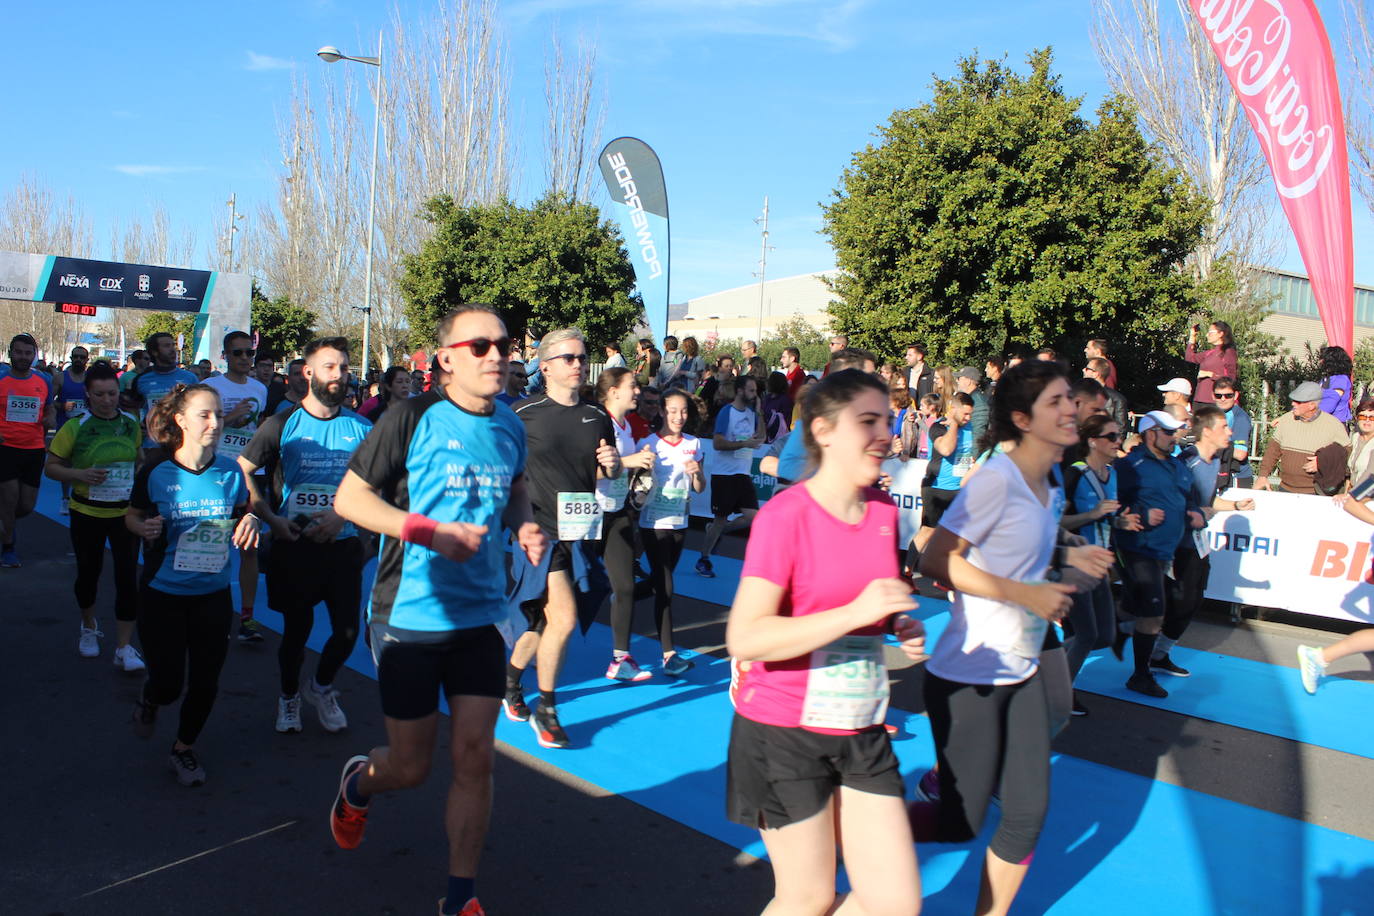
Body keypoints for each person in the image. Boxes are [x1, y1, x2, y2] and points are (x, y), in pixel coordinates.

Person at [330, 305, 545, 916]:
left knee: (477, 754)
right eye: (480, 346)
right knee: (410, 766)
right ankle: (358, 784)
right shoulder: (411, 416)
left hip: (480, 617)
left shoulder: (509, 423)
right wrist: (428, 533)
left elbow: (519, 485)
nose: (497, 355)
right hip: (408, 616)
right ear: (445, 359)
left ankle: (460, 896)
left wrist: (524, 524)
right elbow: (350, 499)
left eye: (504, 345)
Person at [725, 369, 927, 916]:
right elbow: (745, 635)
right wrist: (857, 612)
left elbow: (857, 611)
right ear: (824, 430)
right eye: (868, 421)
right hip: (782, 730)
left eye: (888, 419)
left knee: (894, 904)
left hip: (860, 724)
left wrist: (893, 627)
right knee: (808, 898)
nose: (886, 433)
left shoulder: (884, 512)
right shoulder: (785, 516)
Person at [912, 360, 1110, 916]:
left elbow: (1023, 546)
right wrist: (1024, 596)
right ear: (1022, 419)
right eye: (1056, 402)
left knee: (1027, 814)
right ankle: (854, 830)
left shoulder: (1046, 481)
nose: (1071, 409)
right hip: (968, 675)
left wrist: (1068, 556)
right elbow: (935, 558)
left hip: (1020, 667)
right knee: (960, 821)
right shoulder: (998, 477)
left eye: (1070, 399)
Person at [127, 383, 259, 786]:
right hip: (162, 595)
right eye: (205, 415)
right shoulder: (155, 470)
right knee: (168, 685)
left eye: (218, 414)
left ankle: (183, 748)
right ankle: (152, 699)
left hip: (212, 596)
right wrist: (143, 526)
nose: (215, 423)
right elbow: (130, 516)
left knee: (205, 682)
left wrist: (250, 520)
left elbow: (243, 511)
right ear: (181, 420)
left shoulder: (230, 471)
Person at [239, 337, 372, 734]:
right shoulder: (282, 423)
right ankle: (289, 696)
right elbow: (243, 469)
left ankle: (322, 686)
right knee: (296, 633)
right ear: (309, 373)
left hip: (343, 542)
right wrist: (268, 517)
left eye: (345, 368)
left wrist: (343, 517)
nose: (340, 375)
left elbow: (377, 482)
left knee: (348, 631)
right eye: (330, 367)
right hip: (293, 543)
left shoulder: (363, 426)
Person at [508, 328, 619, 749]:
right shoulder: (523, 413)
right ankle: (547, 710)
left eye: (582, 357)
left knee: (541, 621)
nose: (577, 364)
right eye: (569, 357)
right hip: (538, 532)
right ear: (547, 365)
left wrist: (613, 465)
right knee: (565, 618)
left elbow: (608, 474)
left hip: (582, 533)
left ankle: (510, 682)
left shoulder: (596, 416)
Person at [45, 361, 144, 667]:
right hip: (87, 512)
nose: (106, 400)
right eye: (99, 394)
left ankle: (124, 647)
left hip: (124, 514)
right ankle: (89, 626)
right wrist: (80, 474)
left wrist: (137, 480)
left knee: (128, 577)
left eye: (111, 394)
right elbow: (51, 467)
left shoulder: (130, 424)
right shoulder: (76, 426)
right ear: (88, 394)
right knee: (89, 575)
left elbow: (139, 460)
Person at [1155, 407, 1256, 677]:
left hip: (1198, 544)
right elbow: (1171, 503)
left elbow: (1207, 502)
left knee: (1194, 600)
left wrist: (1235, 505)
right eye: (1224, 427)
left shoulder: (1213, 463)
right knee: (1174, 602)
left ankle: (1159, 653)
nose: (1231, 432)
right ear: (1208, 431)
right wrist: (1195, 515)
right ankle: (1143, 650)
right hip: (1176, 545)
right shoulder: (1187, 462)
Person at [1112, 410, 1205, 697]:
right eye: (1167, 431)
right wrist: (1141, 513)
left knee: (1133, 606)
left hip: (1167, 550)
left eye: (1175, 431)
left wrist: (1196, 513)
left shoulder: (1178, 466)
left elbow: (1188, 499)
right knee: (1154, 610)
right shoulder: (1130, 465)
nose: (1173, 436)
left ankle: (1111, 631)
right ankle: (1140, 675)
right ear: (1150, 433)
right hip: (1137, 547)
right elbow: (1111, 502)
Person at [1060, 415, 1141, 713]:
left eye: (1119, 436)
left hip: (1100, 562)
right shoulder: (1075, 474)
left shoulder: (1113, 473)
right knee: (1086, 634)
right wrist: (1091, 515)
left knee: (1105, 635)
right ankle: (1060, 694)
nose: (1118, 441)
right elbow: (1055, 522)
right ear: (1093, 441)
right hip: (1076, 561)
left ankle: (1048, 663)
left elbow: (1107, 517)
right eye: (1111, 437)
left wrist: (1121, 521)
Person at [205, 331, 272, 642]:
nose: (245, 359)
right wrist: (229, 418)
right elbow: (196, 430)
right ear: (225, 356)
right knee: (214, 545)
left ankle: (247, 617)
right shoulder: (210, 387)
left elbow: (259, 430)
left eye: (248, 353)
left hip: (249, 477)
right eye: (238, 353)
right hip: (214, 475)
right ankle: (208, 609)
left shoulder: (260, 388)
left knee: (249, 547)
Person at [593, 367, 659, 681]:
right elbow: (582, 471)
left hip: (616, 513)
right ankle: (531, 638)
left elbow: (623, 471)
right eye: (632, 386)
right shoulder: (596, 421)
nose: (638, 392)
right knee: (568, 589)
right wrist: (630, 462)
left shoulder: (626, 426)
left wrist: (641, 467)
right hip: (585, 513)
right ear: (614, 391)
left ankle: (621, 659)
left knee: (625, 586)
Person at [637, 389, 706, 678]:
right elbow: (637, 487)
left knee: (658, 583)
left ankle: (622, 596)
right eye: (673, 411)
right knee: (666, 587)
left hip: (679, 522)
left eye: (684, 411)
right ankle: (669, 654)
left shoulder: (694, 444)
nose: (679, 417)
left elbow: (701, 488)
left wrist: (696, 473)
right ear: (663, 412)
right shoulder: (648, 444)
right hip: (652, 522)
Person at [695, 374, 765, 578]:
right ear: (740, 391)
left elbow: (761, 438)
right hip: (724, 474)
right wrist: (743, 443)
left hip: (742, 473)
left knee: (753, 517)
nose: (754, 394)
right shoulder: (728, 412)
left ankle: (720, 530)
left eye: (755, 391)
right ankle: (704, 558)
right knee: (719, 519)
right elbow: (717, 444)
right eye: (751, 390)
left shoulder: (752, 413)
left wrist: (759, 413)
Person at [0, 333, 56, 567]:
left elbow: (50, 408)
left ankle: (6, 522)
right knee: (10, 498)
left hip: (34, 449)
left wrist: (50, 419)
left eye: (28, 353)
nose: (23, 357)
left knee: (26, 506)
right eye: (19, 352)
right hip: (5, 448)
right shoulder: (1, 379)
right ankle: (8, 548)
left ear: (34, 356)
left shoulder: (43, 380)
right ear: (11, 353)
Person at [1255, 381, 1350, 494]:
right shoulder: (1286, 420)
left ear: (1312, 405)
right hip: (1285, 489)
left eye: (1298, 402)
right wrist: (1262, 476)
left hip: (1316, 493)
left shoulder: (1333, 425)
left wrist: (1323, 462)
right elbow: (1272, 451)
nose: (1293, 404)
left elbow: (1347, 453)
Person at [912, 392, 976, 557]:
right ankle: (906, 573)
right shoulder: (939, 426)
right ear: (953, 409)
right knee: (928, 531)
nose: (968, 418)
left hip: (960, 489)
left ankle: (949, 577)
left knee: (959, 536)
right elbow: (946, 449)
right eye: (965, 414)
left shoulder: (970, 427)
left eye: (971, 414)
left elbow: (972, 453)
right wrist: (953, 425)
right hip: (937, 488)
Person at [131, 332, 198, 448]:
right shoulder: (142, 380)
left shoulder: (190, 378)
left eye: (173, 345)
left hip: (182, 446)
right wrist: (137, 427)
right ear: (154, 352)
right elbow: (132, 409)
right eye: (167, 346)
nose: (173, 350)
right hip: (151, 446)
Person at [54, 346, 92, 514]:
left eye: (81, 357)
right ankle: (65, 498)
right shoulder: (60, 378)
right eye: (75, 356)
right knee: (66, 464)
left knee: (88, 462)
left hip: (87, 428)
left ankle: (85, 496)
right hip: (66, 427)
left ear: (86, 360)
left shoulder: (91, 379)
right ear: (71, 357)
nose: (78, 360)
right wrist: (62, 405)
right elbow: (49, 402)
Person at [1210, 377, 1253, 489]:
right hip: (1218, 472)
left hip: (1236, 476)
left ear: (1236, 395)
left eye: (1228, 395)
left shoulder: (1240, 418)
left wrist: (1210, 446)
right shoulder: (1212, 413)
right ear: (1212, 396)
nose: (1223, 399)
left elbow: (1240, 454)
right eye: (1218, 396)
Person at [1184, 320, 1237, 405]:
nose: (1207, 335)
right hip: (1199, 400)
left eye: (1210, 332)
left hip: (1215, 402)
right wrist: (1192, 336)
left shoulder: (1228, 352)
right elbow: (1190, 358)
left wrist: (1210, 374)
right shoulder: (1209, 353)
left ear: (1221, 334)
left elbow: (1231, 379)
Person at [1319, 345, 1354, 423]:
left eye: (1322, 358)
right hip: (1324, 421)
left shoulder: (1340, 380)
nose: (1320, 362)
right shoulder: (1327, 379)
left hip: (1335, 424)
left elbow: (1328, 404)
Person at [955, 367, 989, 443]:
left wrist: (975, 454)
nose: (957, 381)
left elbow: (979, 435)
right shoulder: (970, 398)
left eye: (959, 378)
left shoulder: (979, 403)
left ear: (968, 381)